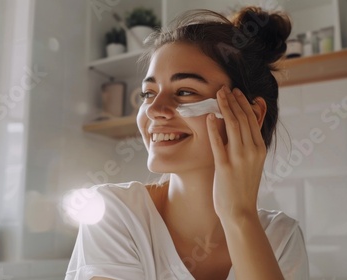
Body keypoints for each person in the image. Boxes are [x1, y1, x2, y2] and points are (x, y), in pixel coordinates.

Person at [66, 6, 309, 280]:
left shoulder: (280, 237)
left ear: (250, 115)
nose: (155, 109)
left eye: (184, 91)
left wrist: (240, 218)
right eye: (148, 93)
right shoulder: (113, 214)